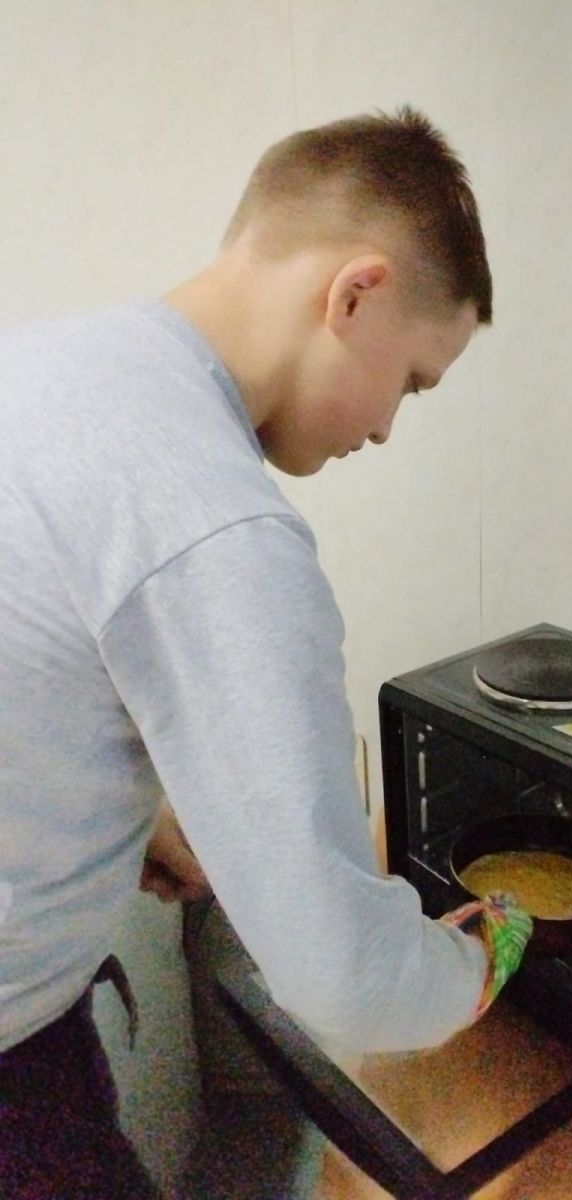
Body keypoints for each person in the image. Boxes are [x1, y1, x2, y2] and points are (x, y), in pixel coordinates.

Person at [0, 108, 531, 1199]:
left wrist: (125, 819)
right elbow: (346, 978)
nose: (385, 429)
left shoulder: (44, 367)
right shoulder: (215, 522)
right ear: (355, 294)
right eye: (413, 382)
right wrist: (478, 963)